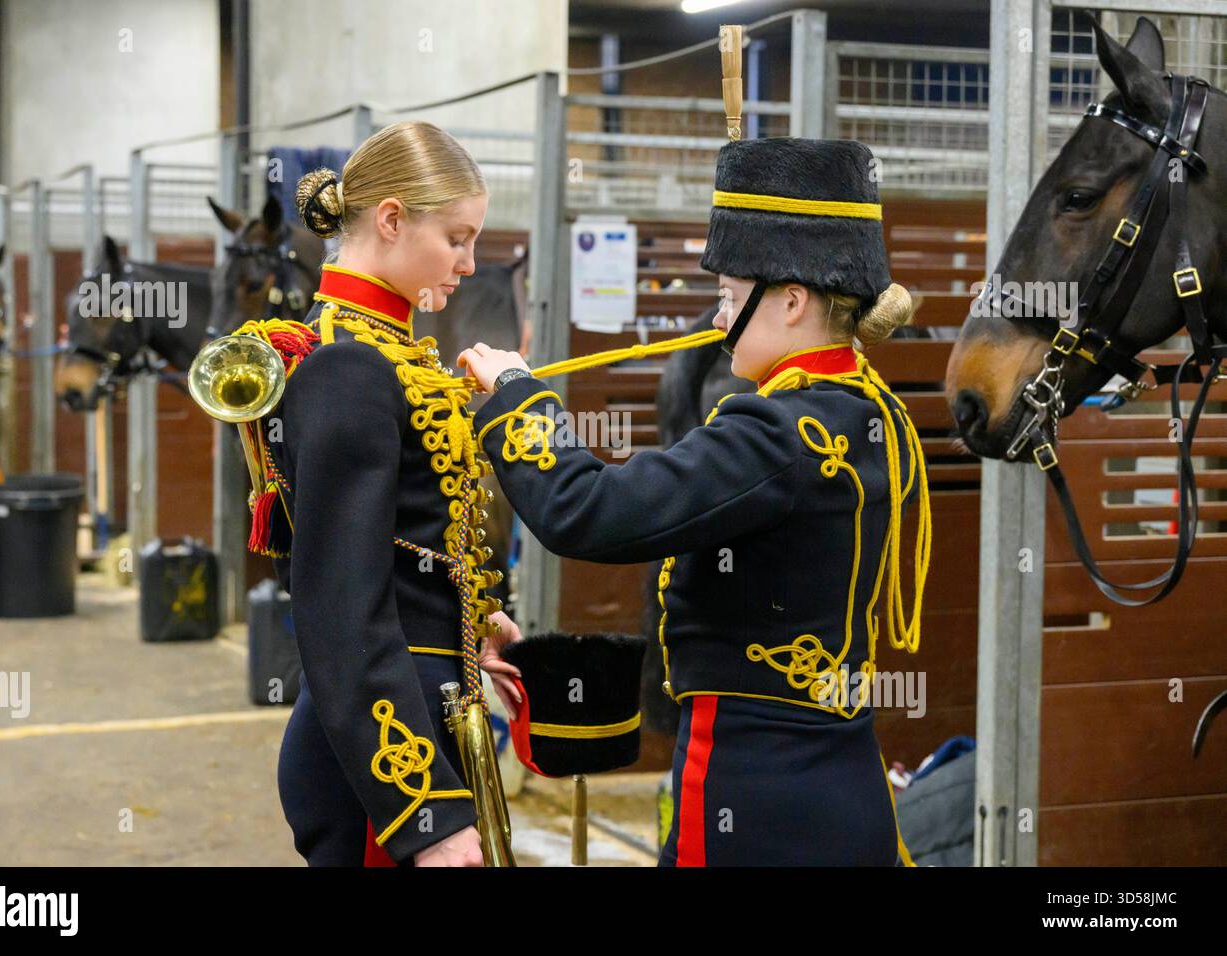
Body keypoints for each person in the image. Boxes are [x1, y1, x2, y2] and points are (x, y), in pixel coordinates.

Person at [460, 136, 931, 866]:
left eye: (729, 298)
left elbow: (590, 511)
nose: (716, 321)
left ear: (793, 300)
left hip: (752, 786)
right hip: (844, 779)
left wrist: (517, 399)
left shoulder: (779, 429)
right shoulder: (874, 412)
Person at [261, 120, 525, 867]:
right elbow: (338, 601)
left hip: (415, 705)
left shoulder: (379, 352)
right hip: (383, 749)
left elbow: (396, 547)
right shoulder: (348, 366)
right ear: (390, 219)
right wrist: (425, 815)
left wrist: (464, 623)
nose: (470, 263)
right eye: (458, 238)